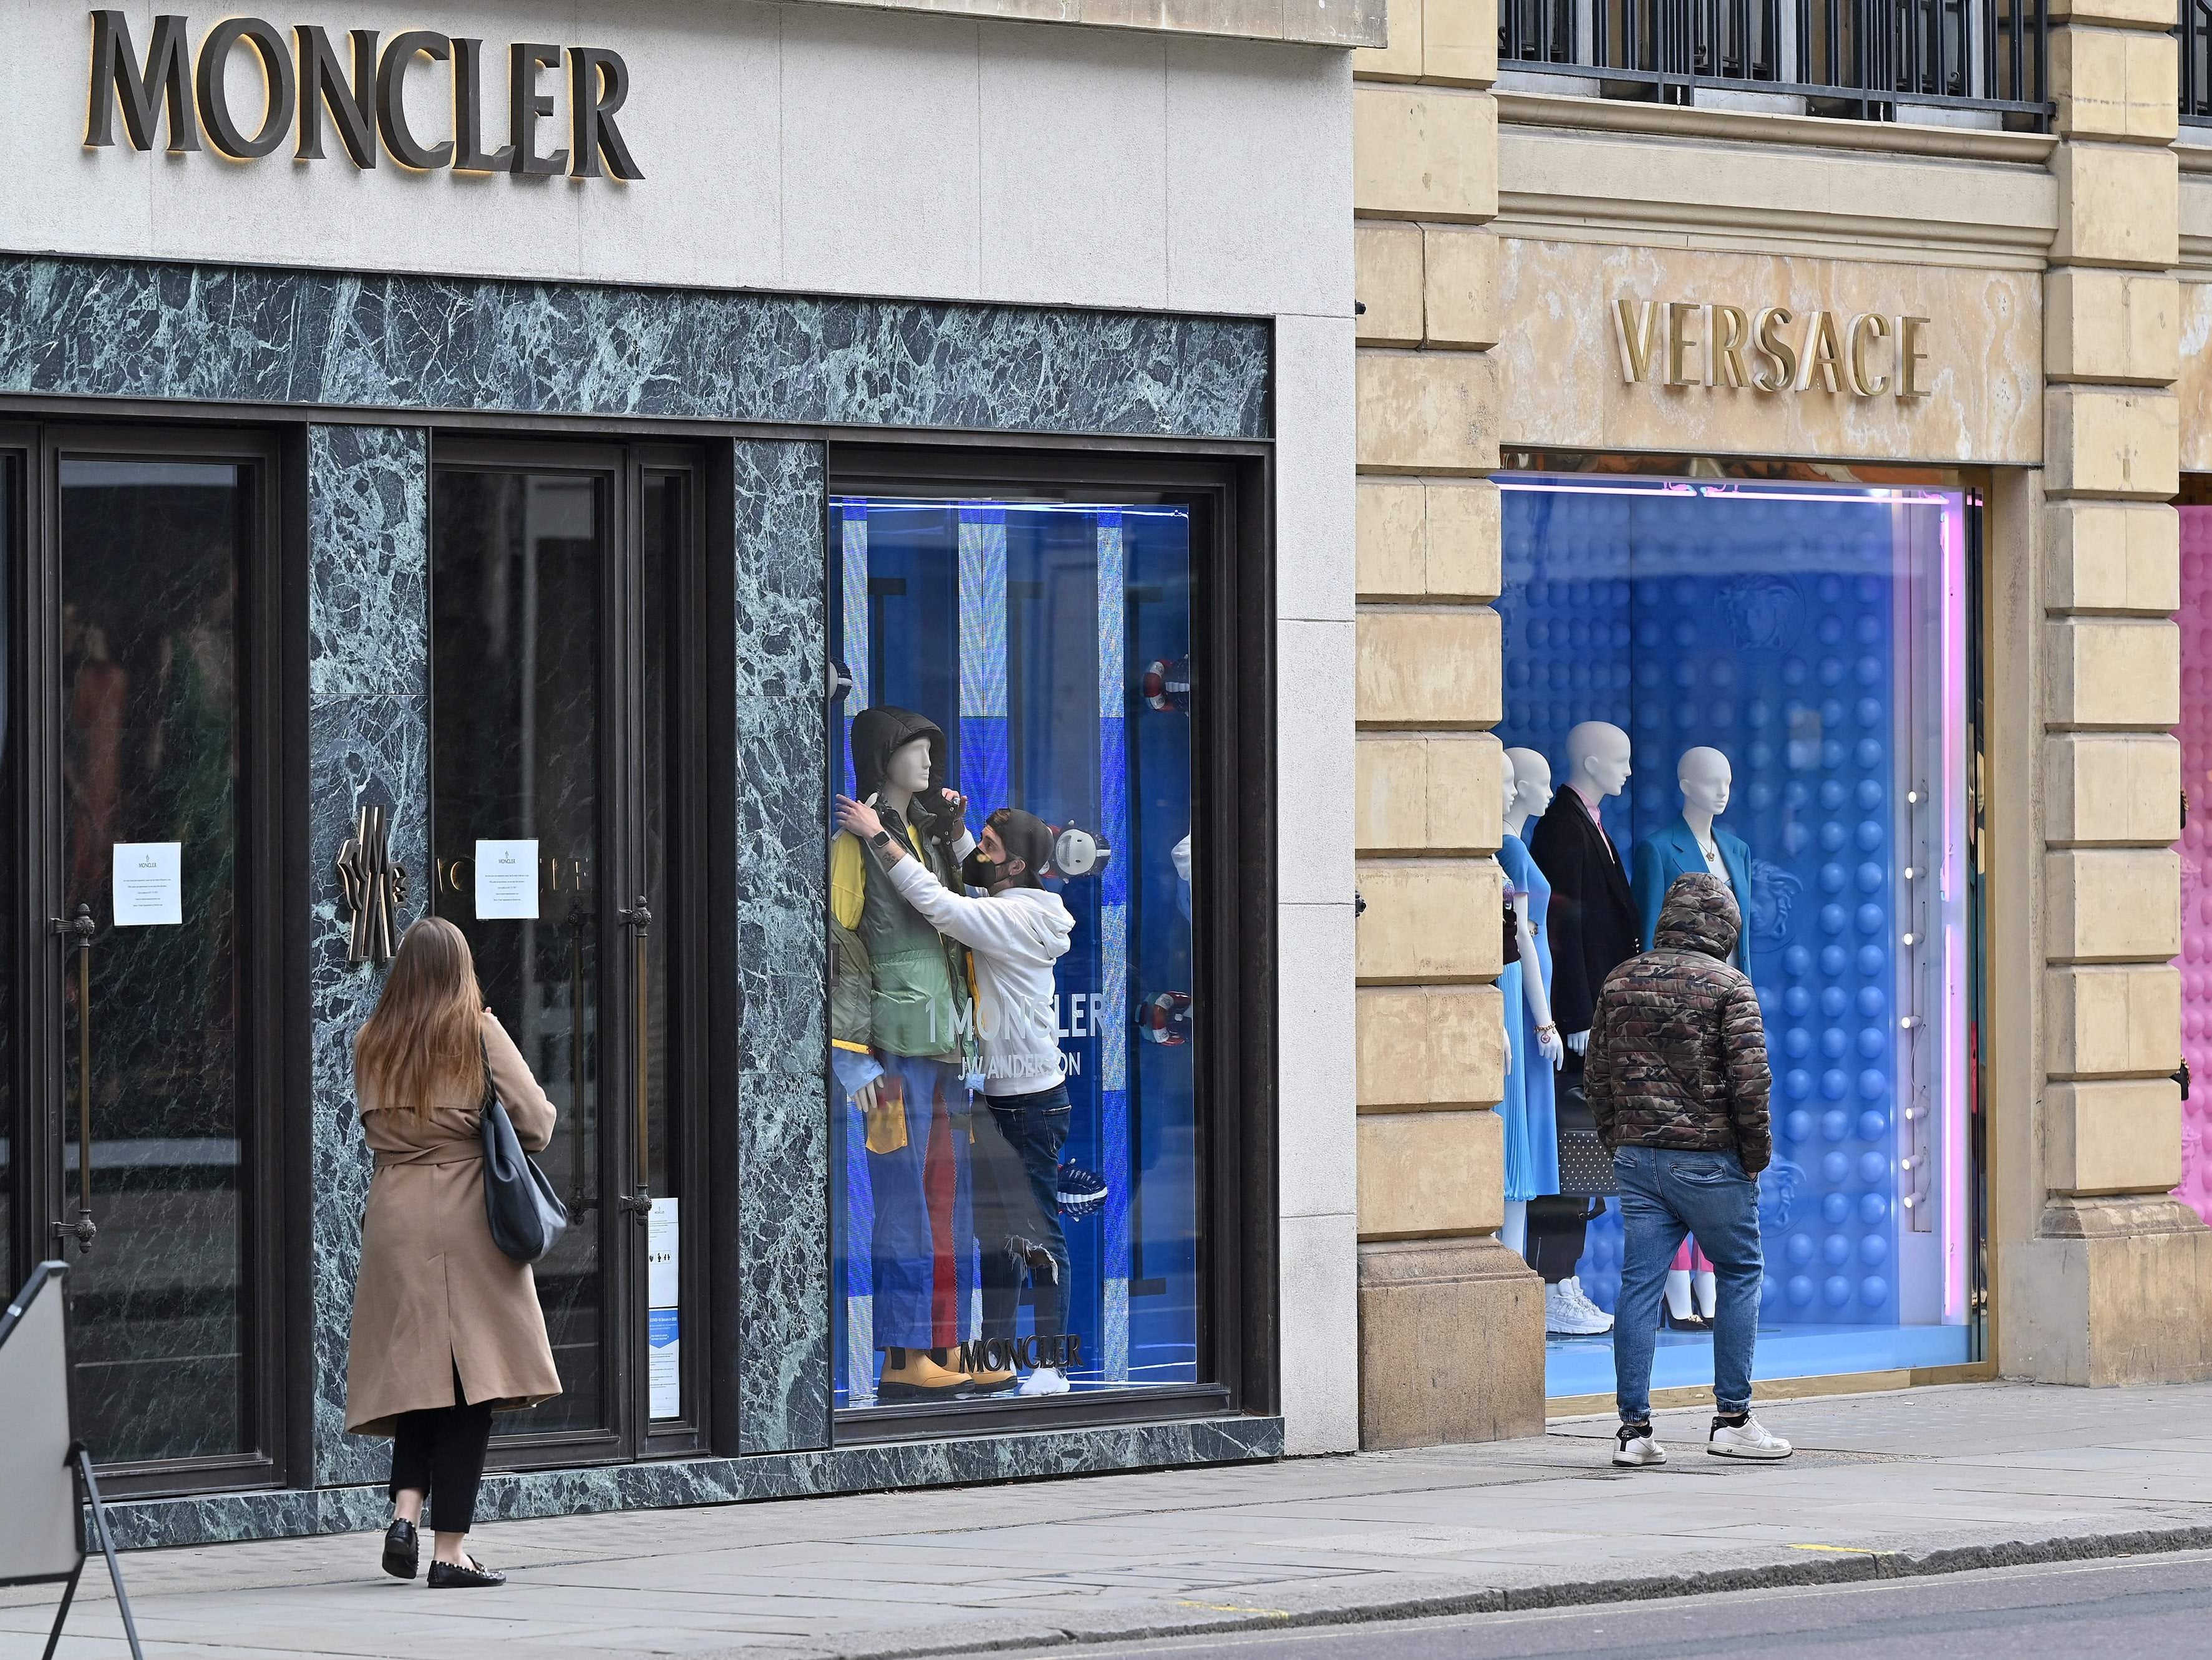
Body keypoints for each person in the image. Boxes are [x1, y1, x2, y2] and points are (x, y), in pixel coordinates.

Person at [344, 916, 563, 1586]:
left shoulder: (371, 1040)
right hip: (467, 1219)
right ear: (459, 970)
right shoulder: (476, 1031)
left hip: (396, 1216)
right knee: (473, 1385)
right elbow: (538, 1123)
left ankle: (405, 1514)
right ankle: (449, 1552)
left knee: (420, 1376)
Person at [835, 792, 1077, 1396]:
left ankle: (1052, 1364)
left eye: (991, 849)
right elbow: (974, 874)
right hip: (995, 1098)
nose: (977, 854)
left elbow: (942, 904)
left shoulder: (1014, 916)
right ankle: (995, 1352)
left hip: (1029, 1103)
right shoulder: (1007, 894)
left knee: (1040, 1235)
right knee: (998, 1237)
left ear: (1015, 868)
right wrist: (964, 829)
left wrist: (878, 836)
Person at [1583, 872, 1792, 1467]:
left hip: (1638, 1161)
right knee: (1741, 1270)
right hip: (1710, 1160)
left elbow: (1597, 1077)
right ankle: (1732, 1418)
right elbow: (1752, 1085)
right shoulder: (1731, 986)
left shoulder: (1621, 980)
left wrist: (1619, 1140)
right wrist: (1753, 1160)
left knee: (1639, 1286)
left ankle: (1634, 1432)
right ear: (1726, 927)